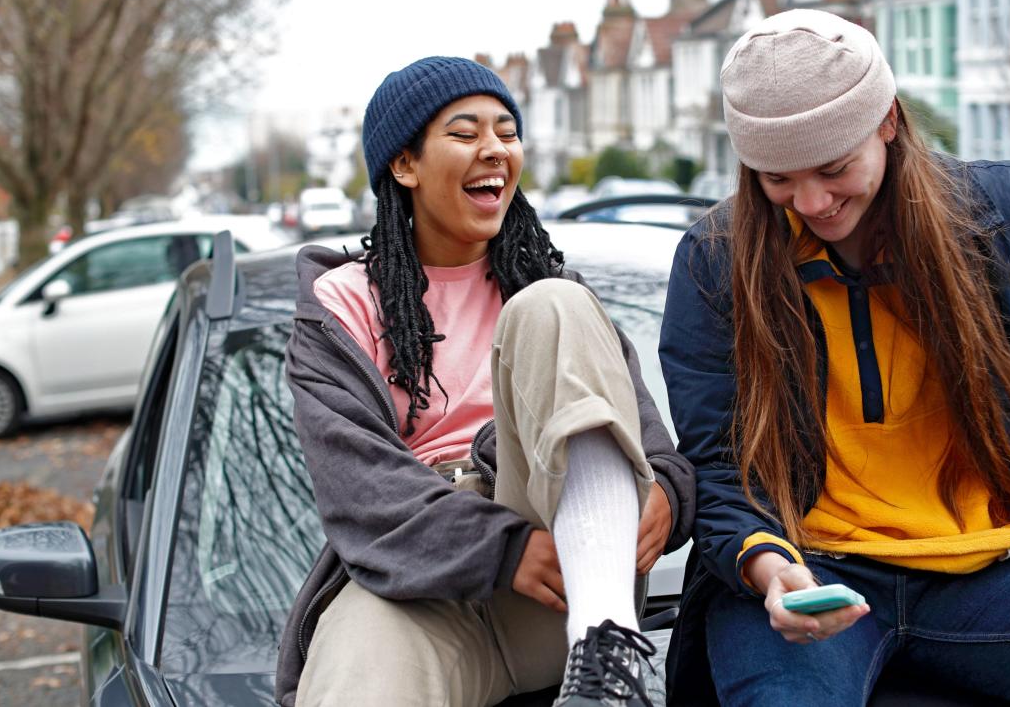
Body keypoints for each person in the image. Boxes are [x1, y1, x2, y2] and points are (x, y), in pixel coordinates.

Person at [658, 10, 1010, 706]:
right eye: (776, 179)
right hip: (813, 573)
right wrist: (767, 567)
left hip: (1000, 570)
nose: (811, 201)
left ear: (889, 122)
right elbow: (717, 465)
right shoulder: (715, 259)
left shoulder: (1000, 210)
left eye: (834, 168)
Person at [273, 57, 695, 707]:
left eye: (506, 131)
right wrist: (504, 549)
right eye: (466, 133)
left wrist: (667, 494)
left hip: (563, 584)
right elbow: (359, 490)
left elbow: (655, 450)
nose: (494, 149)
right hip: (417, 588)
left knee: (550, 305)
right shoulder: (341, 304)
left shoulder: (556, 296)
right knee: (353, 682)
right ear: (405, 165)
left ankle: (608, 655)